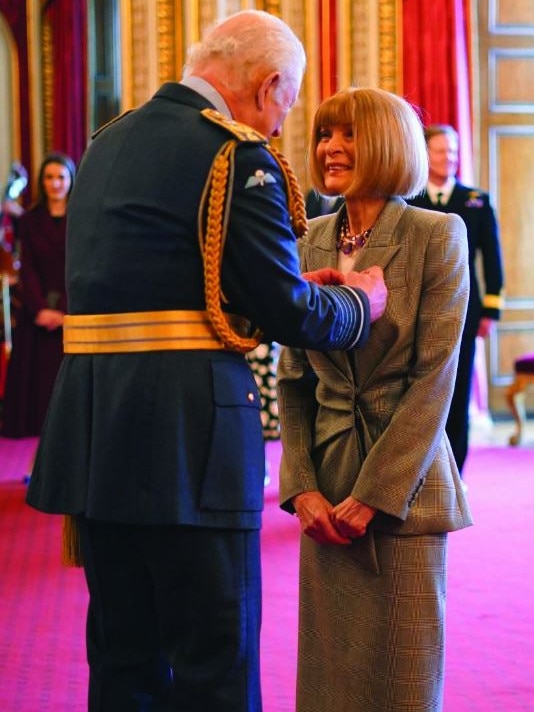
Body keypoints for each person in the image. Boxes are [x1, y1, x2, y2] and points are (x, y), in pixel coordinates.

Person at [26, 12, 387, 712]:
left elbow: (152, 282)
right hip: (189, 442)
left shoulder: (105, 143)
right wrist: (361, 305)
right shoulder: (235, 154)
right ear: (271, 82)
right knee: (214, 659)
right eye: (288, 102)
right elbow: (289, 315)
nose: (283, 124)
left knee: (123, 655)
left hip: (96, 433)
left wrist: (265, 289)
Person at [276, 88, 473, 712]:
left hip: (404, 493)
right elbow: (292, 378)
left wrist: (375, 495)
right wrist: (303, 485)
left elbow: (436, 378)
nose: (330, 147)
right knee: (330, 673)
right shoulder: (307, 238)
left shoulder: (436, 233)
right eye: (324, 134)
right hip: (326, 489)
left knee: (404, 677)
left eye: (348, 134)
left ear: (389, 142)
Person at [407, 124, 504, 477]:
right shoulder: (409, 199)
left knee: (458, 391)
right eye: (440, 150)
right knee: (418, 392)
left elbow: (492, 258)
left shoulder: (475, 201)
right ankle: (418, 471)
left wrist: (491, 308)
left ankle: (453, 475)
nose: (448, 158)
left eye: (453, 151)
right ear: (424, 153)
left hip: (464, 309)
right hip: (415, 310)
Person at [2, 152, 75, 438]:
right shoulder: (30, 220)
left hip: (73, 312)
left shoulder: (82, 217)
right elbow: (27, 268)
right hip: (37, 312)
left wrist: (68, 310)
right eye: (49, 177)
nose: (55, 184)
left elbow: (82, 264)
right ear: (42, 182)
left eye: (61, 177)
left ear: (70, 180)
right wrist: (41, 309)